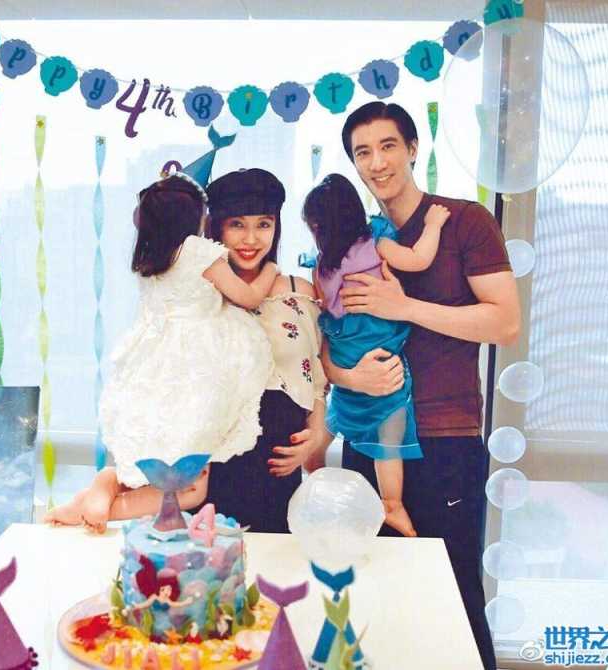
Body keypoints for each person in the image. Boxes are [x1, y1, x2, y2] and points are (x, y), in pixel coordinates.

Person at [324, 101, 521, 670]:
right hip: (367, 436)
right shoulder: (357, 240)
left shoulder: (463, 222)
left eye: (388, 146)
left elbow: (505, 323)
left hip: (443, 438)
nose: (377, 162)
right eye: (363, 152)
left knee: (453, 598)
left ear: (413, 149)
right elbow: (327, 338)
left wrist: (405, 306)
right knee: (369, 604)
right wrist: (347, 376)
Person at [45, 173, 275, 531]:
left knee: (155, 465)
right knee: (191, 487)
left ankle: (101, 489)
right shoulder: (198, 251)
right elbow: (248, 297)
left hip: (152, 369)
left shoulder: (150, 256)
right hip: (196, 372)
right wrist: (271, 270)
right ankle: (103, 503)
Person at [303, 173, 450, 537]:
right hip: (378, 354)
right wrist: (433, 225)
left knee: (328, 425)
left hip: (344, 353)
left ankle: (315, 473)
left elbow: (322, 311)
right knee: (389, 434)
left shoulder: (322, 266)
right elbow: (418, 259)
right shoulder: (377, 243)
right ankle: (392, 504)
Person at [202, 168, 329, 533]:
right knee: (212, 566)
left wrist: (315, 435)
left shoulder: (299, 290)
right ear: (218, 228)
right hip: (214, 466)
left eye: (264, 224)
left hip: (279, 469)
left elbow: (316, 376)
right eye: (237, 225)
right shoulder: (202, 292)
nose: (251, 239)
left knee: (278, 565)